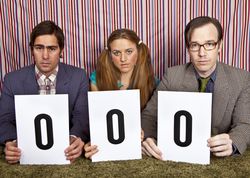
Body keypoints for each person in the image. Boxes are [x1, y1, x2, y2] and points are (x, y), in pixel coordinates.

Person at [141, 16, 250, 160]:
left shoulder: (241, 78)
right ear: (188, 48)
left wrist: (233, 142)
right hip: (180, 154)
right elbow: (149, 116)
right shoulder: (172, 75)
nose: (202, 53)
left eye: (209, 44)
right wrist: (148, 138)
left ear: (220, 45)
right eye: (195, 45)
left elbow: (244, 123)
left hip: (216, 158)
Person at [0, 20, 89, 164]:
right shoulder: (12, 79)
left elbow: (82, 116)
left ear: (61, 50)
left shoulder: (78, 76)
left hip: (64, 152)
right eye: (39, 48)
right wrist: (12, 142)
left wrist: (74, 138)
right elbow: (4, 119)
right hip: (27, 152)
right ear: (31, 49)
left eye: (52, 49)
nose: (45, 56)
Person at [85, 28, 158, 159]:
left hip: (139, 143)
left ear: (138, 51)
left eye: (129, 52)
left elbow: (153, 117)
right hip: (112, 140)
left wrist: (144, 133)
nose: (123, 58)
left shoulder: (152, 81)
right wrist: (96, 142)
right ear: (109, 55)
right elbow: (99, 118)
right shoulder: (97, 79)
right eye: (116, 53)